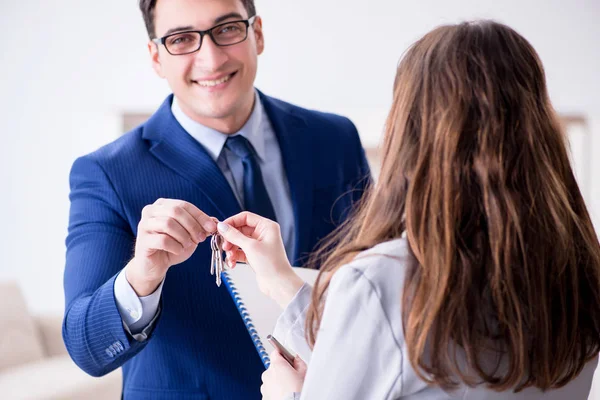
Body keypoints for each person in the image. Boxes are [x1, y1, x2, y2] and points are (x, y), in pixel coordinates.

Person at [217, 20, 600, 399]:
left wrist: (292, 396)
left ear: (410, 131)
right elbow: (391, 360)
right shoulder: (578, 276)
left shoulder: (382, 282)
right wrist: (281, 282)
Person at [61, 0, 370, 398]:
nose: (210, 57)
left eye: (226, 29)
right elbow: (86, 348)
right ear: (156, 57)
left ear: (257, 33)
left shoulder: (335, 139)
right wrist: (142, 277)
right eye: (182, 39)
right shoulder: (106, 173)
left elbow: (374, 284)